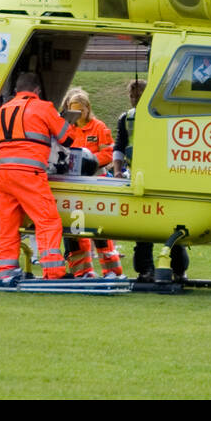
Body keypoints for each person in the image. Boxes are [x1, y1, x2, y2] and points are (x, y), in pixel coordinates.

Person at [0, 72, 75, 279]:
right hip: (29, 174)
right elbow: (67, 138)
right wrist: (65, 120)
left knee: (8, 224)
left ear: (17, 90)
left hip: (3, 175)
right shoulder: (43, 107)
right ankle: (53, 271)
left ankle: (5, 270)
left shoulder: (2, 110)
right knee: (48, 220)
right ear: (37, 90)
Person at [59, 87, 123, 278]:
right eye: (74, 109)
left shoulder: (99, 127)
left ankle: (112, 270)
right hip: (72, 183)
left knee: (99, 229)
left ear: (88, 108)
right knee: (74, 229)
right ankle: (82, 271)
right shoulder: (67, 128)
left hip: (95, 180)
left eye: (81, 109)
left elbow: (107, 153)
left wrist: (88, 160)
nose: (78, 113)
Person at [112, 79, 155, 279]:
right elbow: (119, 147)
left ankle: (178, 268)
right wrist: (118, 171)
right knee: (142, 225)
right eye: (132, 95)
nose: (134, 99)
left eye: (138, 95)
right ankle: (145, 269)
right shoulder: (126, 119)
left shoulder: (159, 117)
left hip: (157, 176)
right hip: (135, 176)